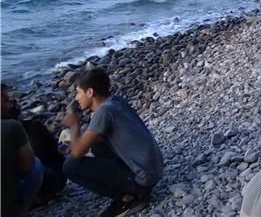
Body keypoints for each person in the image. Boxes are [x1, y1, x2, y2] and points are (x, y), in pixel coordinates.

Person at [62, 69, 164, 216]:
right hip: (153, 169)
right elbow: (97, 140)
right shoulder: (114, 101)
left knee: (70, 165)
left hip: (142, 180)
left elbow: (77, 152)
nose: (76, 98)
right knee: (94, 144)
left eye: (78, 93)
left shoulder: (104, 112)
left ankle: (125, 199)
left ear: (90, 92)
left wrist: (74, 125)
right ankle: (130, 190)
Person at [1, 85, 66, 211]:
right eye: (5, 100)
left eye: (8, 99)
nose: (10, 103)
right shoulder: (21, 127)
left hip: (43, 178)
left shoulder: (17, 128)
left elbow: (27, 166)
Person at [2, 117, 42, 217]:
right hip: (7, 209)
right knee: (36, 164)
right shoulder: (11, 126)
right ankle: (22, 212)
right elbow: (27, 166)